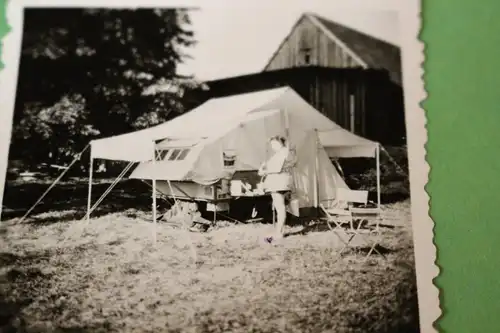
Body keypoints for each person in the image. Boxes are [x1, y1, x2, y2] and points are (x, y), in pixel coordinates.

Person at [258, 135, 296, 244]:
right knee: (280, 207)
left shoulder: (282, 153)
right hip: (282, 182)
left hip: (278, 183)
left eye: (274, 144)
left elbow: (276, 168)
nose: (272, 146)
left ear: (280, 143)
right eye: (271, 145)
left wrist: (264, 170)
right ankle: (279, 231)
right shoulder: (284, 153)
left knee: (280, 208)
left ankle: (279, 233)